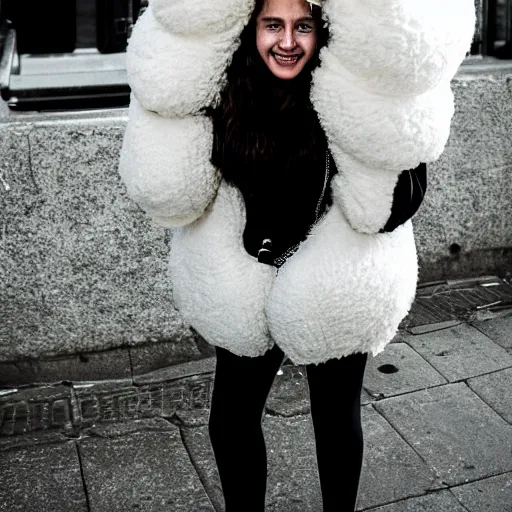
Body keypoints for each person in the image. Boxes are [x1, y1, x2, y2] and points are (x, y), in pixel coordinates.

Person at [119, 0, 476, 510]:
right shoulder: (227, 87)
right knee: (231, 416)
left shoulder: (349, 89)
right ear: (253, 27)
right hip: (247, 275)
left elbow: (402, 188)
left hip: (336, 279)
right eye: (274, 25)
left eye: (302, 26)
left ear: (322, 28)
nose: (287, 41)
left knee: (335, 417)